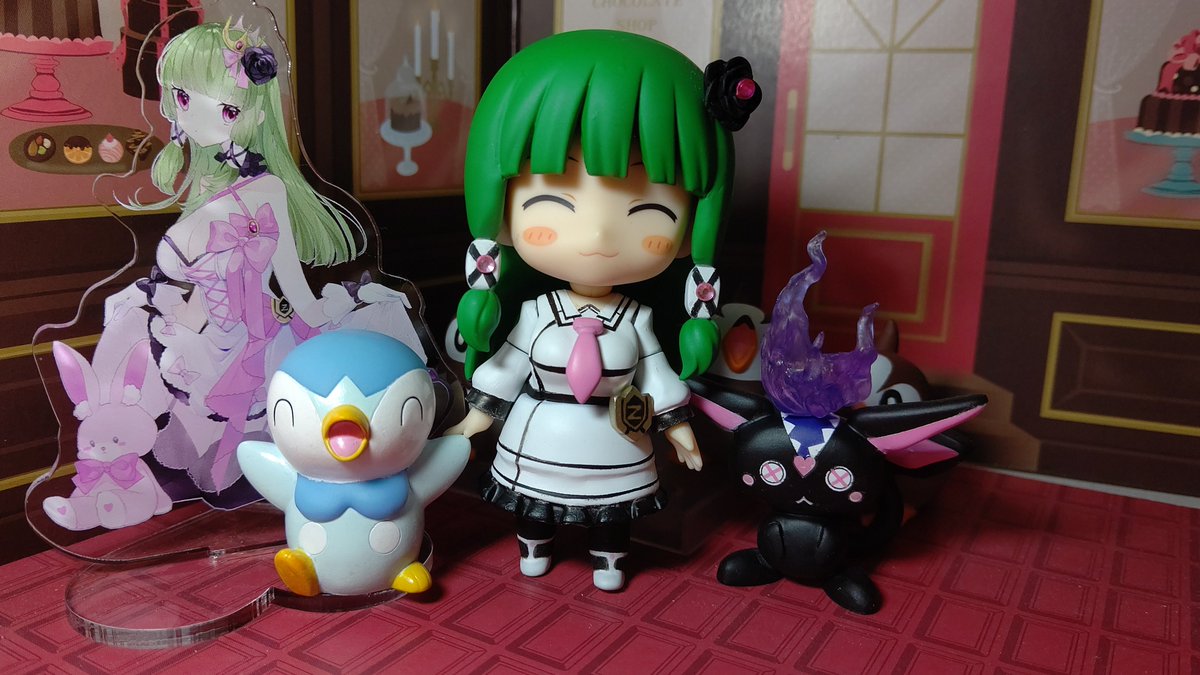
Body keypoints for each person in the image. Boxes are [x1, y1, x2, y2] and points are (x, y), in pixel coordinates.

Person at [447, 30, 760, 591]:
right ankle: (535, 545)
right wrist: (477, 417)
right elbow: (508, 364)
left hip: (616, 440)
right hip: (540, 431)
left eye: (648, 210)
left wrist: (678, 429)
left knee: (613, 514)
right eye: (552, 200)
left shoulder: (637, 321)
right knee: (534, 507)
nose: (597, 234)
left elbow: (657, 376)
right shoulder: (536, 312)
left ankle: (609, 560)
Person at [98, 19, 426, 510]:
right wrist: (167, 316)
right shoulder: (202, 191)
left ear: (251, 116)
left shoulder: (266, 189)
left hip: (250, 342)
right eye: (183, 98)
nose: (198, 118)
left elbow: (291, 280)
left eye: (228, 109)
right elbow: (190, 291)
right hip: (194, 340)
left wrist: (339, 311)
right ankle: (116, 478)